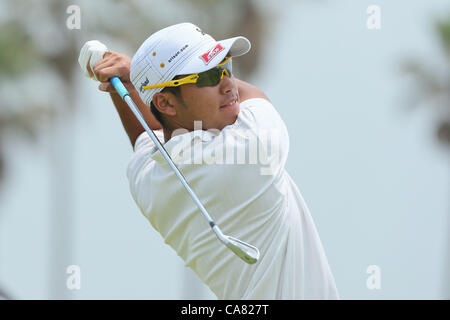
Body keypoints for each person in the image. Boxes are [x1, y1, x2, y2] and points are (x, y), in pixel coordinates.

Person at [80, 22, 339, 299]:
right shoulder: (253, 147)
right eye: (207, 76)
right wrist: (133, 74)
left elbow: (150, 136)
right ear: (166, 103)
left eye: (226, 67)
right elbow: (254, 95)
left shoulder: (146, 179)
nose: (228, 84)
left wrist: (132, 85)